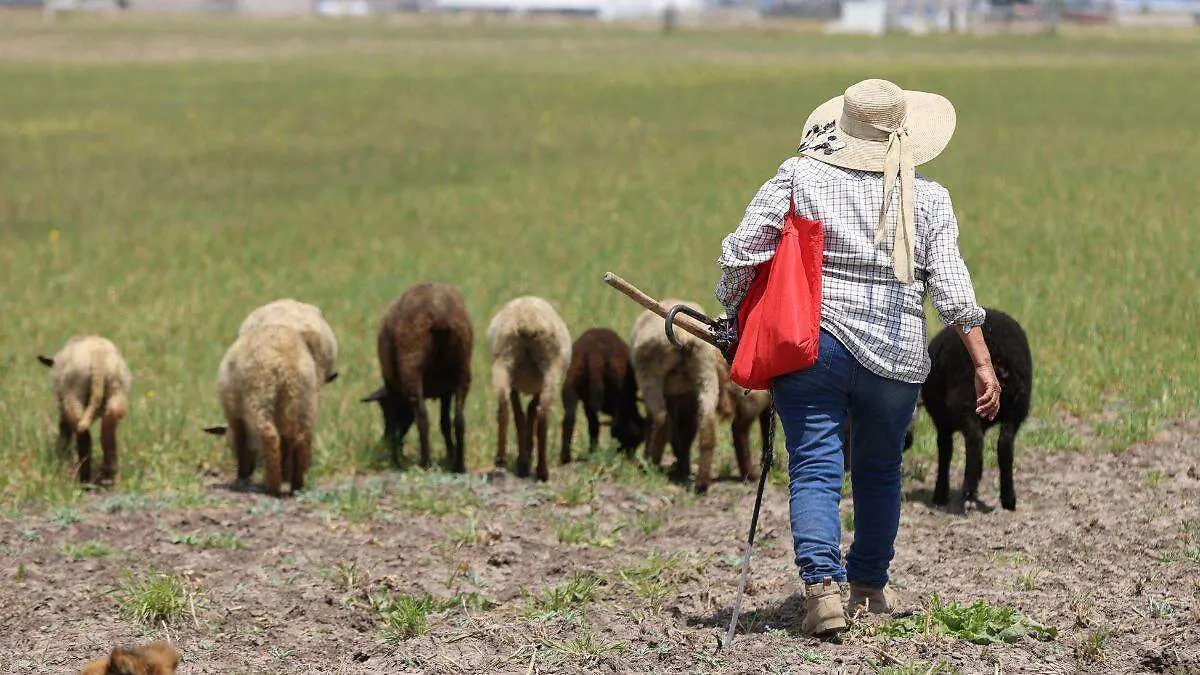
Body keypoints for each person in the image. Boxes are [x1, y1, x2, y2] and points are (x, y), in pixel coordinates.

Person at [714, 79, 1001, 638]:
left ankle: (822, 593)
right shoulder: (930, 198)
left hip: (812, 347)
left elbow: (741, 250)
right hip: (895, 359)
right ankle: (869, 588)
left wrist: (733, 312)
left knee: (816, 467)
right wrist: (983, 364)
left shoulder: (800, 177)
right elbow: (953, 290)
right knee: (879, 471)